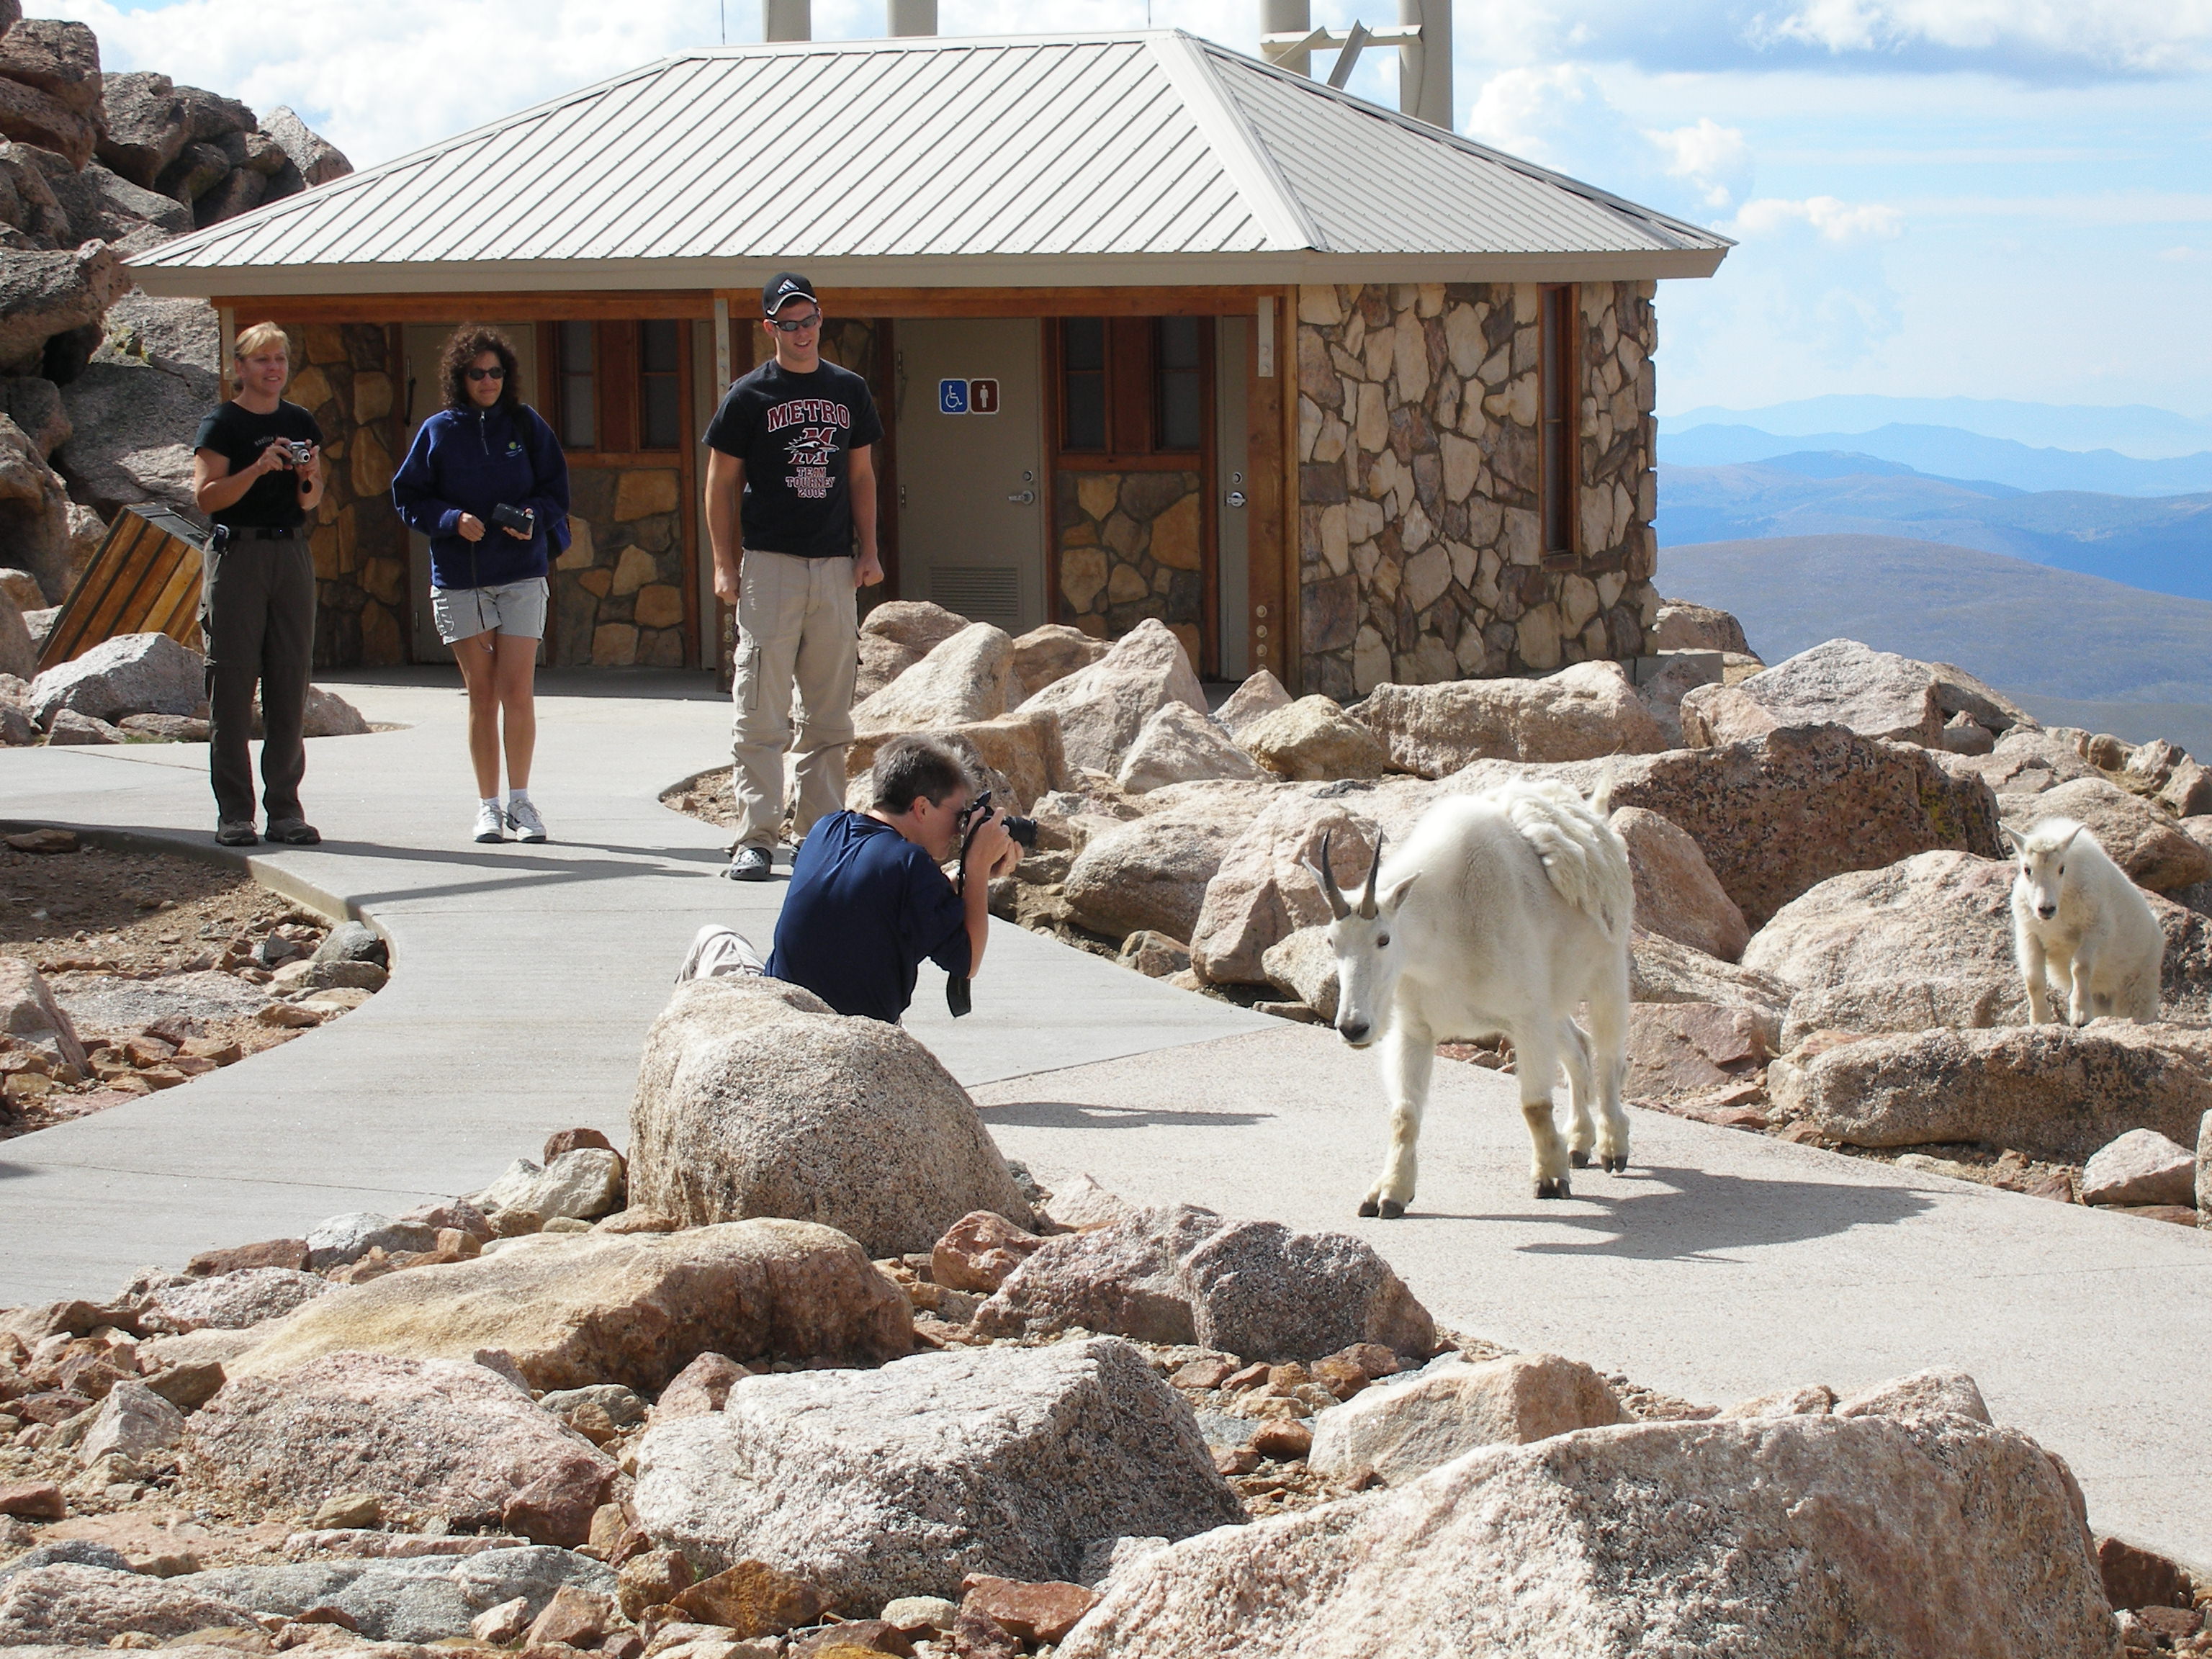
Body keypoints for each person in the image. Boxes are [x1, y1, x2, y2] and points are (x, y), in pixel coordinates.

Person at [702, 271, 884, 882]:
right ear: (770, 328)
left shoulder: (849, 391)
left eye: (808, 321)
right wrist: (726, 564)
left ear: (820, 320)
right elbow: (720, 484)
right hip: (769, 567)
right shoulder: (748, 396)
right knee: (761, 710)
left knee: (830, 716)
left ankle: (819, 838)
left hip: (834, 567)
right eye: (788, 323)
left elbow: (861, 476)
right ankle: (755, 837)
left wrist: (869, 551)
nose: (801, 332)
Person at [391, 325, 570, 845]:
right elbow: (408, 497)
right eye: (477, 373)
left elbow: (558, 491)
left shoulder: (525, 424)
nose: (488, 381)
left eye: (496, 372)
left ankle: (522, 803)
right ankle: (487, 807)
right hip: (460, 578)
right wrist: (450, 520)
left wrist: (532, 516)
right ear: (460, 377)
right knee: (482, 693)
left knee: (519, 690)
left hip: (520, 574)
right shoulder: (439, 431)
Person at [741, 734, 1017, 1023]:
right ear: (922, 807)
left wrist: (971, 875)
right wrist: (976, 868)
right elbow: (968, 962)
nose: (959, 829)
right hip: (858, 1033)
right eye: (958, 814)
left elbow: (887, 896)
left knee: (715, 938)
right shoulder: (911, 864)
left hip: (780, 1011)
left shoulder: (828, 827)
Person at [190, 321, 325, 848]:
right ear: (240, 367)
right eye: (263, 359)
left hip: (289, 551)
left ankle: (286, 810)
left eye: (281, 359)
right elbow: (206, 497)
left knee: (290, 681)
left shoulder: (301, 421)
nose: (273, 369)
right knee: (233, 682)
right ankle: (235, 815)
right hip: (238, 553)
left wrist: (304, 474)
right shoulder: (222, 423)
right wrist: (256, 468)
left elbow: (313, 499)